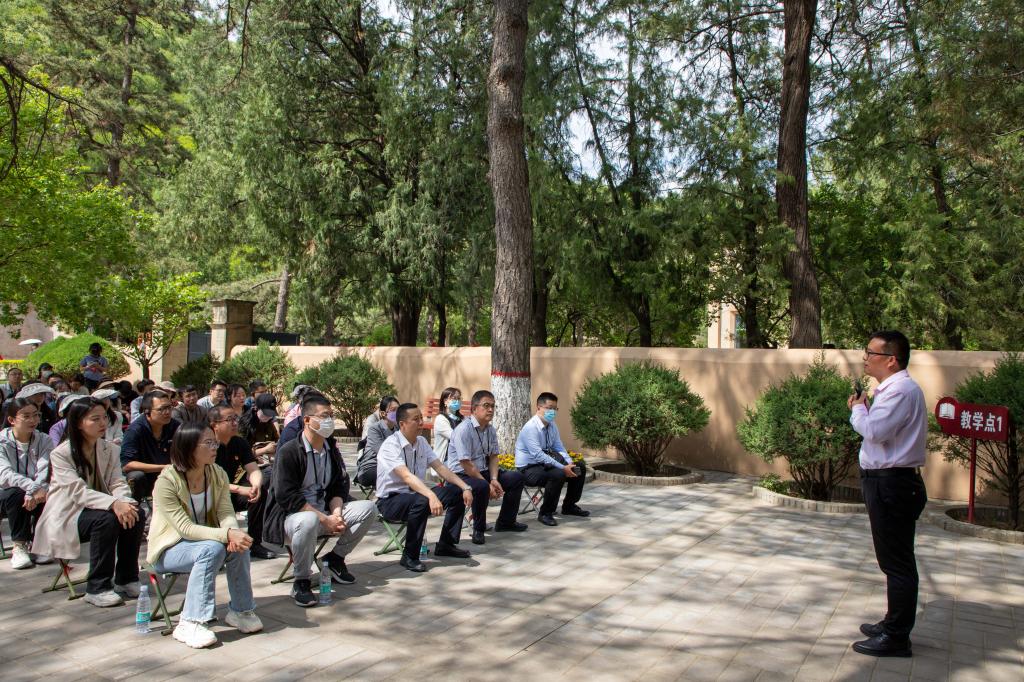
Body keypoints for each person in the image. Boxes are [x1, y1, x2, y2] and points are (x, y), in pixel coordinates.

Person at [848, 331, 928, 658]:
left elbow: (875, 431)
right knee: (892, 560)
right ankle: (892, 623)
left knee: (897, 563)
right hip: (887, 483)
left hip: (892, 485)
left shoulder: (901, 391)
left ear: (891, 359)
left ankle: (896, 636)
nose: (865, 358)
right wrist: (865, 408)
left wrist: (858, 410)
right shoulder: (893, 390)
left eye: (871, 353)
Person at [147, 423, 263, 648]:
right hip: (169, 549)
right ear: (189, 447)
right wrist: (226, 534)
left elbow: (225, 512)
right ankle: (190, 621)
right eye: (208, 443)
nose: (214, 447)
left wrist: (232, 533)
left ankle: (241, 611)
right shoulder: (166, 481)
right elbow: (185, 528)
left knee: (239, 545)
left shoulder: (217, 473)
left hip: (207, 542)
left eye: (215, 442)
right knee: (213, 548)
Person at [263, 394, 377, 606]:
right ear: (307, 420)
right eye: (325, 416)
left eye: (332, 415)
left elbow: (338, 486)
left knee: (368, 508)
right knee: (309, 520)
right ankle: (301, 580)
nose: (330, 421)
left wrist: (336, 514)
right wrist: (325, 520)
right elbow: (287, 496)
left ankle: (334, 559)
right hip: (293, 520)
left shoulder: (329, 448)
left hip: (324, 513)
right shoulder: (289, 451)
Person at [32, 398, 145, 607]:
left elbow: (117, 482)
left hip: (101, 507)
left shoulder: (110, 449)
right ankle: (97, 587)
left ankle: (127, 578)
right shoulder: (61, 453)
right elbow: (77, 492)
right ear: (78, 423)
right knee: (105, 520)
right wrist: (114, 504)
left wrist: (124, 502)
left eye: (104, 418)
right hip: (67, 514)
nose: (102, 423)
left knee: (136, 513)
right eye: (95, 419)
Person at [376, 403, 475, 573]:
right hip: (390, 501)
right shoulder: (390, 445)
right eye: (416, 419)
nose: (421, 422)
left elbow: (440, 467)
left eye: (421, 418)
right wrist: (431, 495)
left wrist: (465, 487)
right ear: (402, 424)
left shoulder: (421, 442)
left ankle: (446, 544)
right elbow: (406, 476)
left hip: (417, 494)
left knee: (456, 492)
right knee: (422, 500)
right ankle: (409, 556)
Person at [446, 390, 528, 544]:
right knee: (482, 487)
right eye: (486, 406)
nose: (490, 409)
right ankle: (479, 529)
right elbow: (466, 464)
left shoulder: (490, 429)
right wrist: (487, 484)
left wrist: (494, 479)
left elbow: (493, 456)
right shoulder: (464, 430)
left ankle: (506, 522)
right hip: (462, 475)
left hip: (482, 471)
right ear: (474, 409)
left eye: (493, 406)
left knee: (516, 478)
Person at [208, 404, 276, 560]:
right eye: (229, 420)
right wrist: (239, 489)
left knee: (259, 493)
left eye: (235, 418)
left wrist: (256, 485)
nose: (235, 423)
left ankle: (255, 543)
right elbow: (208, 480)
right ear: (215, 425)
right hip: (211, 493)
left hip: (230, 492)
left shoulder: (239, 442)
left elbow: (253, 469)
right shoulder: (207, 445)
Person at [514, 392, 589, 527]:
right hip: (528, 468)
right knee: (558, 474)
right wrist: (563, 468)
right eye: (549, 408)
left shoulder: (552, 425)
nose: (552, 412)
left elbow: (558, 446)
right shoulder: (531, 427)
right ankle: (545, 513)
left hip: (544, 465)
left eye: (555, 409)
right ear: (539, 408)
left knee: (579, 468)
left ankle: (569, 506)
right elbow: (538, 455)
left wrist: (569, 463)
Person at [0, 398, 53, 569]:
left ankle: (39, 543)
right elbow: (5, 475)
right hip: (7, 495)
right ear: (11, 420)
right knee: (16, 493)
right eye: (26, 416)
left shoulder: (44, 440)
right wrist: (32, 489)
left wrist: (35, 490)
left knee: (50, 492)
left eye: (36, 415)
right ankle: (19, 545)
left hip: (36, 493)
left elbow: (45, 470)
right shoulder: (2, 441)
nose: (33, 420)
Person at [120, 390, 180, 501]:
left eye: (169, 407)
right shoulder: (135, 430)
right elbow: (127, 464)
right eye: (162, 409)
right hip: (147, 477)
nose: (167, 412)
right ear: (147, 412)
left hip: (170, 474)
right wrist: (164, 467)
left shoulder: (174, 426)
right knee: (136, 476)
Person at [355, 396, 398, 488]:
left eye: (399, 409)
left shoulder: (398, 429)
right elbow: (383, 452)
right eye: (393, 410)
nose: (397, 413)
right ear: (383, 413)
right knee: (399, 475)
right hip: (370, 467)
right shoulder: (374, 429)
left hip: (391, 466)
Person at [238, 392, 279, 465]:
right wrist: (264, 450)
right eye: (265, 413)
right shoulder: (245, 425)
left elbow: (276, 440)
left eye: (270, 414)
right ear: (256, 408)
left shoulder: (269, 424)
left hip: (268, 461)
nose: (268, 417)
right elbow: (241, 452)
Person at [432, 387, 464, 461]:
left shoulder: (462, 419)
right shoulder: (441, 419)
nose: (457, 401)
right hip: (445, 460)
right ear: (445, 401)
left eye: (459, 398)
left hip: (460, 458)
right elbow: (455, 437)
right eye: (454, 398)